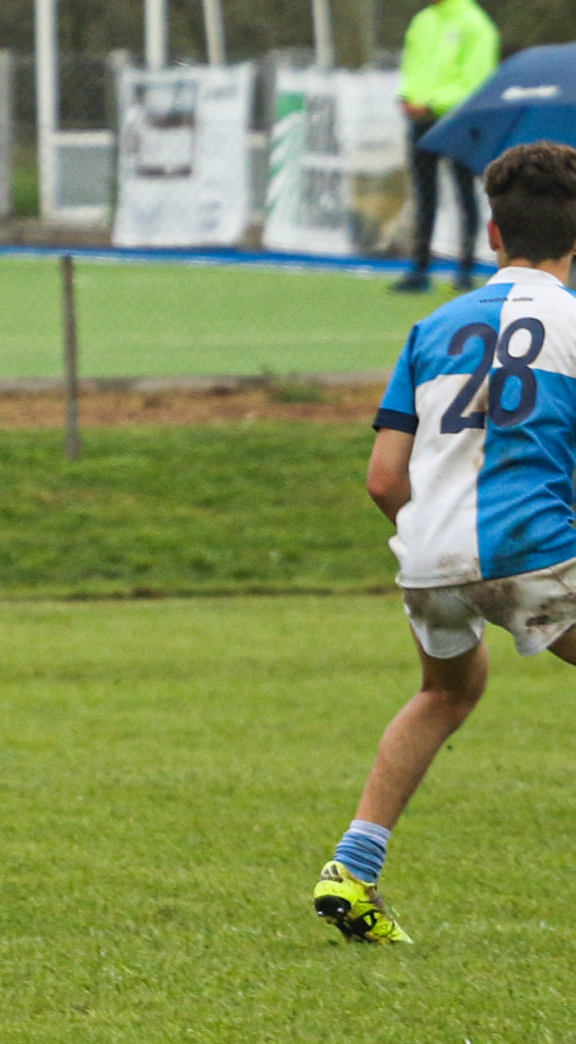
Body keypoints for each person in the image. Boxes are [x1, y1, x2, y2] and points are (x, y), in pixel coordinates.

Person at [313, 141, 576, 944]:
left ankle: (352, 870)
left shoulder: (432, 326)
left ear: (491, 235)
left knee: (445, 694)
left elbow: (383, 478)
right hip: (534, 548)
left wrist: (437, 541)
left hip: (429, 559)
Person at [390, 0, 499, 294]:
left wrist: (432, 103)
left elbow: (476, 79)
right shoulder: (423, 20)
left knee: (466, 193)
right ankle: (420, 268)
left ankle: (466, 268)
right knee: (425, 195)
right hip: (421, 120)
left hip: (460, 120)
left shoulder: (476, 24)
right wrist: (408, 97)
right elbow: (411, 66)